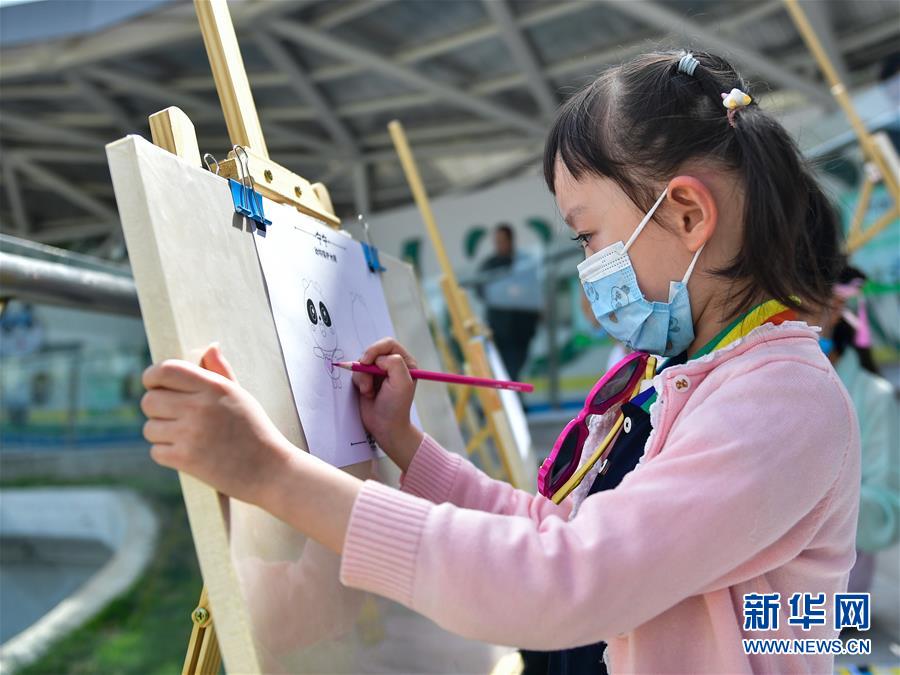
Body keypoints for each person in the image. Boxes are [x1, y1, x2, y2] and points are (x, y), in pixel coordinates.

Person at [140, 50, 860, 673]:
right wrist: (407, 445)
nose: (587, 264)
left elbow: (561, 578)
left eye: (586, 236)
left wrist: (270, 473)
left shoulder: (780, 402)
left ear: (687, 215)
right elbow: (555, 530)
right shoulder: (675, 377)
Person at [819, 266, 899, 595]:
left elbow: (886, 515)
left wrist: (810, 492)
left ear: (837, 308)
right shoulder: (765, 385)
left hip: (840, 596)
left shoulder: (874, 396)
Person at [477, 223, 541, 381]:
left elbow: (534, 289)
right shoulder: (489, 265)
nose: (500, 244)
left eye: (503, 240)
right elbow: (481, 291)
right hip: (499, 331)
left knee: (515, 370)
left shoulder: (524, 263)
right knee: (504, 372)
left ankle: (515, 394)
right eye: (497, 241)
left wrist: (521, 291)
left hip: (521, 330)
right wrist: (505, 292)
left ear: (511, 240)